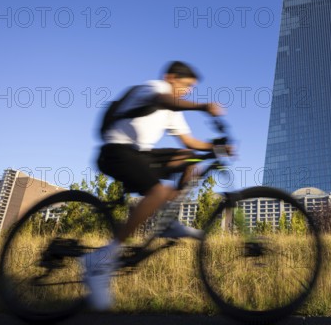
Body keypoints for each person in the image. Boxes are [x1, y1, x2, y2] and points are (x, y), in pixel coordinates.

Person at [80, 61, 228, 311]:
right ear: (171, 77)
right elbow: (166, 100)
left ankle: (167, 222)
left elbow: (189, 141)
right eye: (186, 85)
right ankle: (100, 260)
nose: (189, 91)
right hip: (116, 152)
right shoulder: (154, 88)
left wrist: (216, 147)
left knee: (188, 158)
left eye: (192, 88)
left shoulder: (174, 111)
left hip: (140, 155)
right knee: (158, 191)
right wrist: (203, 107)